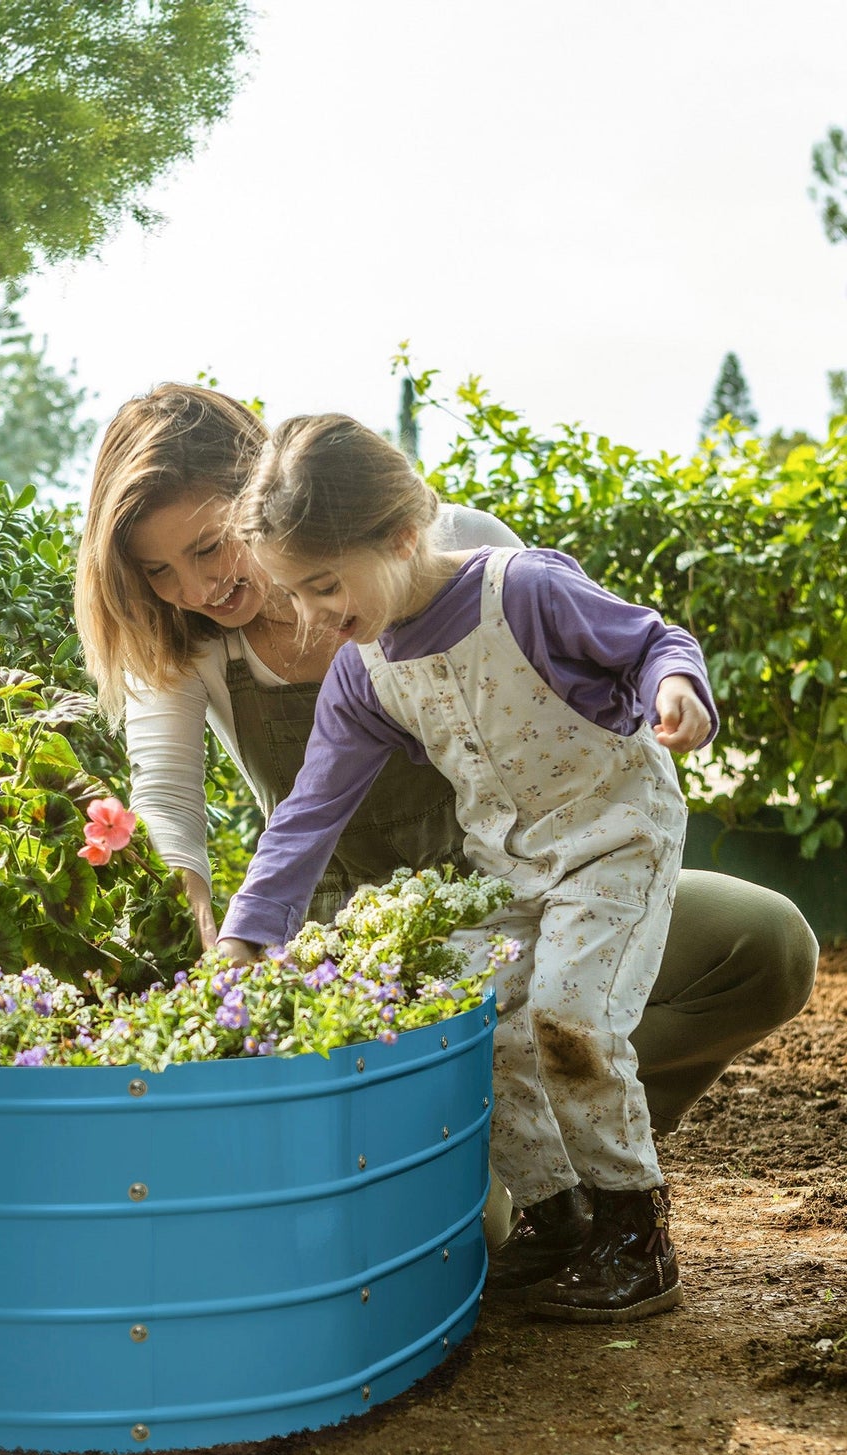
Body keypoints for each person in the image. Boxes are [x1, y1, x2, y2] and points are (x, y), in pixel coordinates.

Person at [74, 382, 818, 1284]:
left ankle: (603, 1175)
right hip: (384, 936)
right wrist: (226, 939)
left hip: (543, 877)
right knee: (487, 1211)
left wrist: (668, 694)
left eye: (207, 547)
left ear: (268, 497)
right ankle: (534, 1176)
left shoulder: (472, 559)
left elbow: (623, 647)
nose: (197, 588)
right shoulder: (218, 648)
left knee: (757, 946)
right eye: (159, 572)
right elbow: (216, 809)